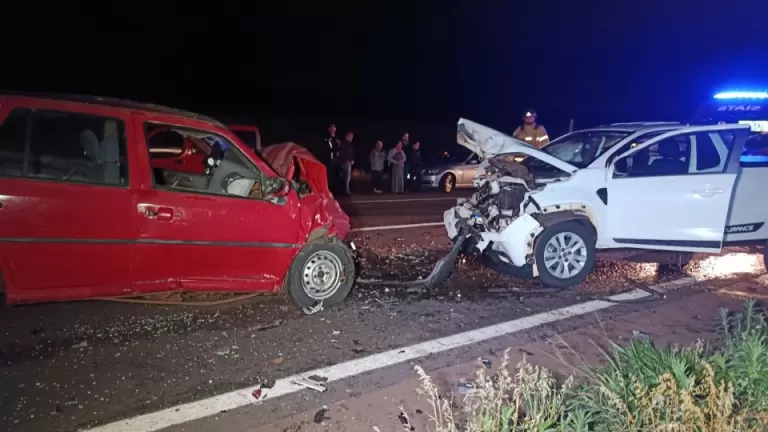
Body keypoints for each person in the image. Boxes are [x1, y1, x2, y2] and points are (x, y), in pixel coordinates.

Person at [322, 124, 341, 191]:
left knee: (336, 174)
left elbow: (339, 148)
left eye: (334, 128)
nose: (333, 129)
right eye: (331, 128)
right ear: (329, 129)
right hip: (328, 159)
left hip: (336, 160)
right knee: (329, 174)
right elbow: (326, 148)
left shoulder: (337, 138)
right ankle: (328, 189)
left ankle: (336, 189)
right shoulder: (326, 138)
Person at [339, 131, 355, 195]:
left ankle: (347, 189)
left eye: (352, 137)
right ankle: (345, 190)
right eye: (350, 136)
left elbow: (353, 154)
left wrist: (353, 160)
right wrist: (347, 160)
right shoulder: (343, 144)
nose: (351, 138)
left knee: (348, 177)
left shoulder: (351, 145)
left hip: (349, 163)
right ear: (347, 136)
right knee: (346, 177)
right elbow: (342, 153)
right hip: (345, 163)